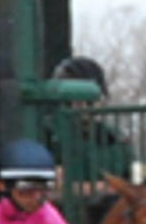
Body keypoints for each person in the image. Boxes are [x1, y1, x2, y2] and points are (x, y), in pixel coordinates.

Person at [46, 55, 139, 192]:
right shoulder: (47, 133)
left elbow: (128, 187)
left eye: (87, 99)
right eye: (73, 98)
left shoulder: (116, 139)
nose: (80, 105)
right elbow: (49, 188)